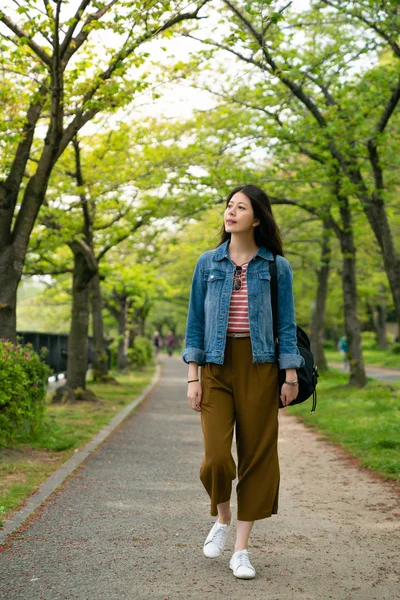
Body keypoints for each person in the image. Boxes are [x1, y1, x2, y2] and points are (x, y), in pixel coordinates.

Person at [181, 184, 304, 580]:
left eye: (241, 207)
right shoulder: (208, 263)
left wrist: (289, 375)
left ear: (257, 217)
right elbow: (195, 324)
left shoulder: (275, 267)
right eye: (229, 206)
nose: (231, 212)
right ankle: (222, 517)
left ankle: (241, 550)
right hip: (216, 367)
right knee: (216, 457)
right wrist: (192, 376)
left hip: (261, 366)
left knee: (257, 457)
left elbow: (286, 324)